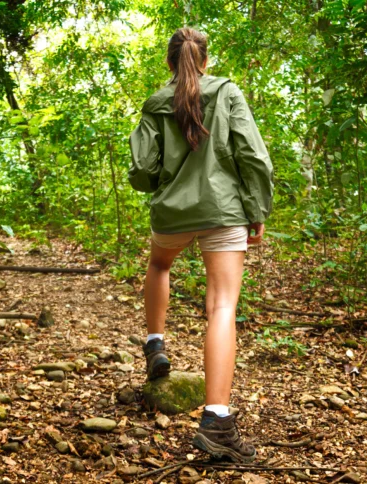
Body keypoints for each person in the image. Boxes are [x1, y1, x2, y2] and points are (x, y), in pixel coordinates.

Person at [127, 27, 274, 463]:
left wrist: (165, 185)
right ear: (205, 60)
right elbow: (252, 155)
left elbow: (141, 169)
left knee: (159, 265)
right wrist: (256, 208)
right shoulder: (227, 92)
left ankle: (155, 343)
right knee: (222, 305)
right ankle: (216, 421)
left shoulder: (156, 102)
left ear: (170, 63)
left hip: (172, 212)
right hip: (223, 210)